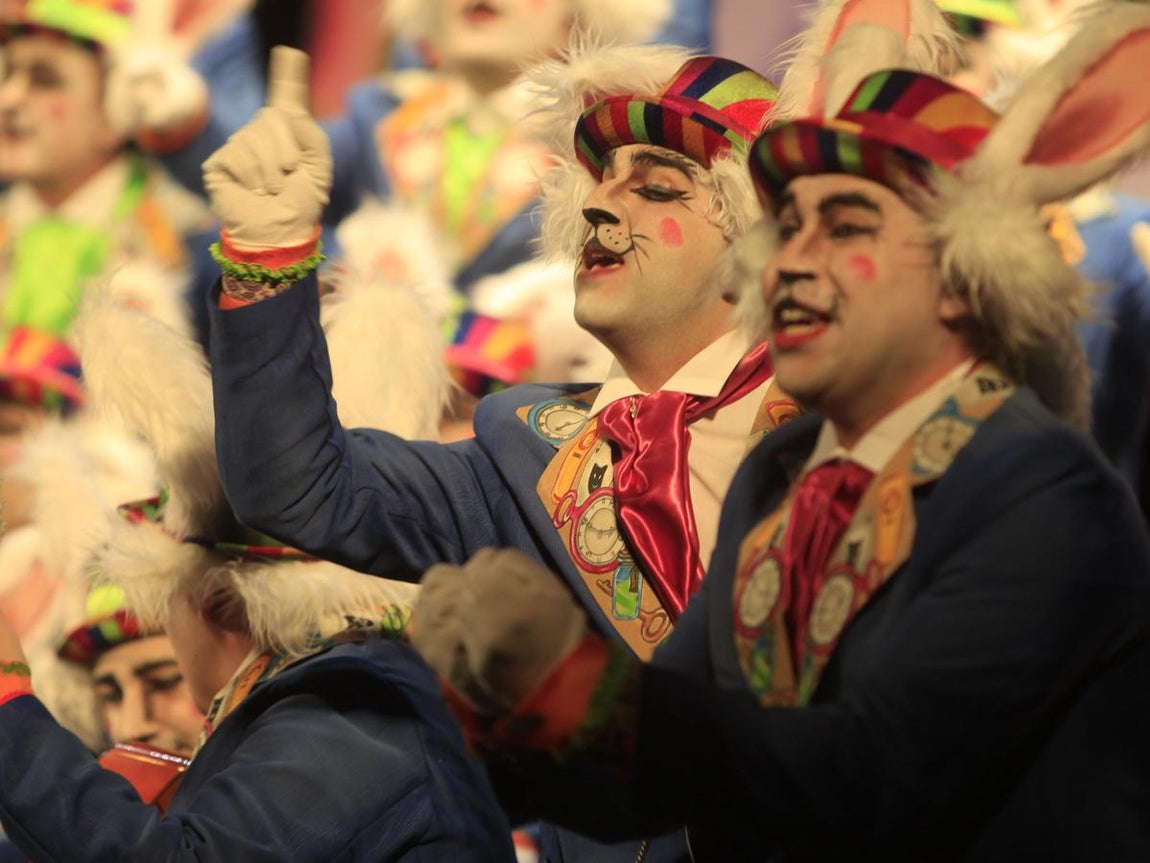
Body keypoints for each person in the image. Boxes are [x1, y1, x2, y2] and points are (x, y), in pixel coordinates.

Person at [407, 4, 1150, 860]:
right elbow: (648, 773)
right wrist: (504, 703)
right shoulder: (783, 473)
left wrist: (580, 688)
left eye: (844, 228)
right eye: (787, 224)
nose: (789, 260)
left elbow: (867, 775)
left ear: (962, 275)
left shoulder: (1043, 491)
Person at [0, 283, 514, 862]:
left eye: (163, 604)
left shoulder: (351, 707)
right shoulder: (350, 700)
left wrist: (8, 699)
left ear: (215, 605)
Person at [0, 0, 216, 343]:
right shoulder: (7, 224)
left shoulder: (186, 241)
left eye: (44, 80)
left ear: (114, 113)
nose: (8, 98)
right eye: (8, 73)